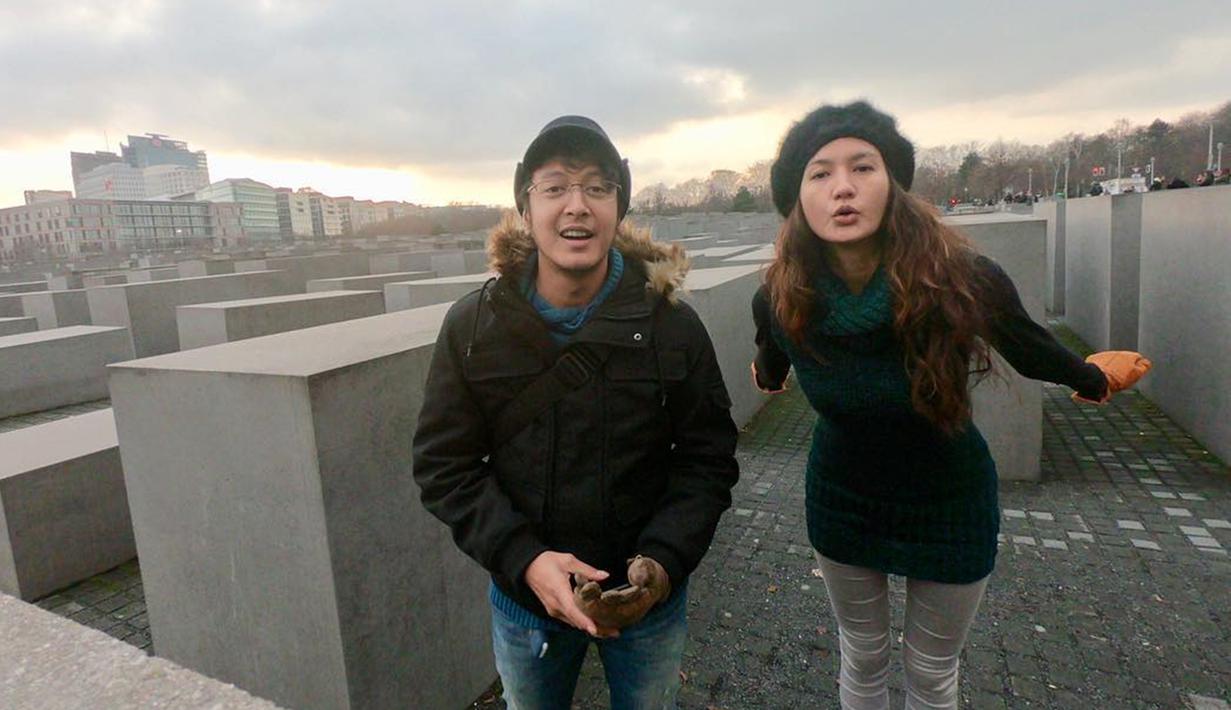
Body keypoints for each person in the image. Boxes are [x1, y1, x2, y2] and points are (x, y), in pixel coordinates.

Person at [750, 101, 1150, 709]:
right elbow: (773, 348)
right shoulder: (781, 294)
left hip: (948, 498)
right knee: (862, 654)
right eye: (820, 173)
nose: (843, 188)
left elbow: (1029, 345)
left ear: (893, 184)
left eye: (863, 167)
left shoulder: (959, 276)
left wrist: (1093, 378)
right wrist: (768, 375)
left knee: (932, 671)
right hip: (842, 496)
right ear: (797, 199)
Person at [412, 115, 740, 709]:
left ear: (619, 206)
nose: (577, 205)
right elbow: (444, 466)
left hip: (648, 607)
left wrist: (662, 563)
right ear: (525, 205)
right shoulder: (473, 327)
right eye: (556, 186)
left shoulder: (673, 327)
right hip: (526, 603)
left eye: (597, 186)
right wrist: (525, 560)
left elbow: (707, 459)